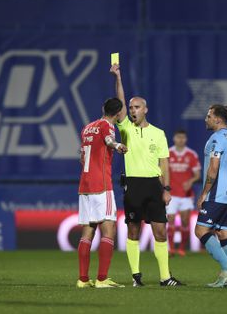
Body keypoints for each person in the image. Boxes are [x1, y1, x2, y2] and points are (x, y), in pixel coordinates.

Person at [110, 64, 183, 287]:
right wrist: (118, 77)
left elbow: (164, 163)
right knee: (133, 231)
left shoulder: (159, 134)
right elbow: (119, 101)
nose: (132, 110)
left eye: (137, 107)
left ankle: (165, 277)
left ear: (146, 109)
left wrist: (167, 189)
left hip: (153, 186)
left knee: (161, 232)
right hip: (133, 185)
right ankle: (136, 277)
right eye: (130, 107)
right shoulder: (125, 129)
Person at [76, 98, 128, 289]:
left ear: (102, 108)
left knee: (87, 231)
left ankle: (82, 280)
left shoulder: (87, 127)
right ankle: (102, 279)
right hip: (102, 185)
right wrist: (118, 146)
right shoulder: (108, 126)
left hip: (85, 184)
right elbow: (109, 140)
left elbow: (82, 156)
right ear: (118, 114)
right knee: (109, 230)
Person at [194, 104, 227, 288]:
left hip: (217, 193)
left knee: (201, 231)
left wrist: (204, 193)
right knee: (223, 232)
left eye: (209, 115)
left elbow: (213, 168)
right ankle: (226, 278)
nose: (206, 119)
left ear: (218, 119)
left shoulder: (216, 138)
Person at [167, 129, 201, 257]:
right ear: (174, 138)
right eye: (178, 137)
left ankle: (181, 248)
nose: (180, 139)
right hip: (171, 194)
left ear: (185, 139)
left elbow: (197, 174)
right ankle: (170, 248)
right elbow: (162, 171)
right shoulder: (168, 153)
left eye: (183, 137)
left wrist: (191, 181)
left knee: (185, 221)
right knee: (170, 219)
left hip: (186, 194)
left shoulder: (191, 154)